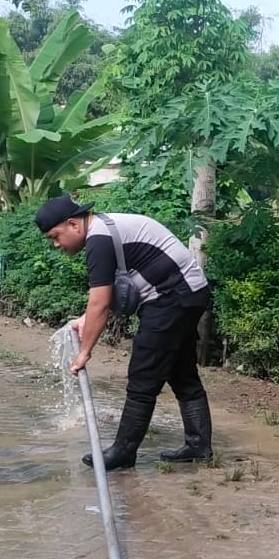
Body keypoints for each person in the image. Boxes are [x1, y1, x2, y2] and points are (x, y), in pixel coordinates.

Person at [35, 194, 214, 470]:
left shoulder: (99, 239)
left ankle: (124, 451)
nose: (56, 244)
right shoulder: (104, 230)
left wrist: (84, 353)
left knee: (144, 373)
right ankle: (198, 445)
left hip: (174, 297)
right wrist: (85, 319)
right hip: (185, 293)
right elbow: (112, 293)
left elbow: (101, 303)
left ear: (73, 224)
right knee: (181, 372)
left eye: (55, 236)